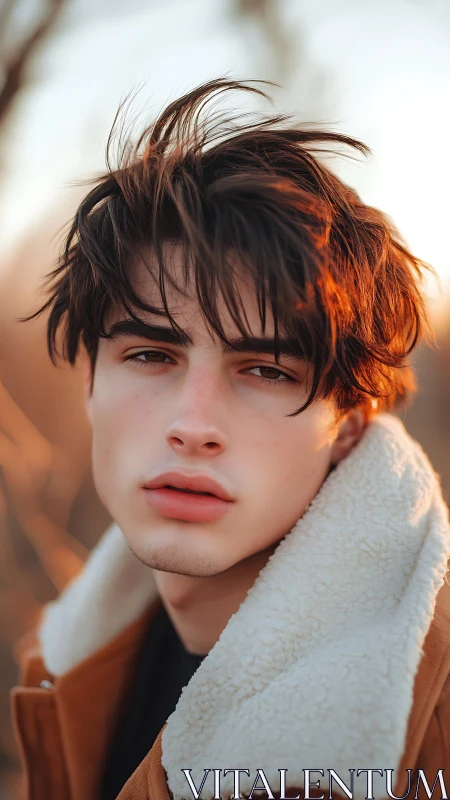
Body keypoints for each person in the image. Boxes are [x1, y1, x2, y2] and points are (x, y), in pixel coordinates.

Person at [11, 78, 450, 800]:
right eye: (151, 355)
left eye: (266, 370)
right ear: (88, 377)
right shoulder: (65, 652)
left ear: (350, 423)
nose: (193, 425)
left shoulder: (423, 729)